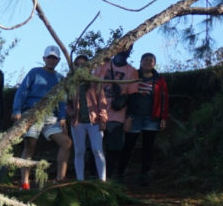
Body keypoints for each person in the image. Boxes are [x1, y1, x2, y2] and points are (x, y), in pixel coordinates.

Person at [12, 45, 71, 188]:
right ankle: (25, 182)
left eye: (54, 58)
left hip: (51, 117)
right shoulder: (34, 73)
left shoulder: (59, 78)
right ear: (44, 59)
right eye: (49, 57)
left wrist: (62, 117)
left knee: (66, 143)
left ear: (58, 60)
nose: (51, 60)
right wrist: (17, 110)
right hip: (32, 113)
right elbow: (22, 91)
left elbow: (62, 100)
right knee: (30, 144)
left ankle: (59, 179)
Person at [119, 52, 169, 186]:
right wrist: (128, 116)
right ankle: (120, 174)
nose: (148, 62)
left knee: (148, 148)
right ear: (140, 62)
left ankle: (144, 176)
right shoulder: (134, 76)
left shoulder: (159, 79)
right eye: (145, 60)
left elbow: (164, 99)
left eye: (151, 60)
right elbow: (127, 97)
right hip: (134, 117)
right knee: (128, 146)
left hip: (151, 118)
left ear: (154, 63)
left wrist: (163, 118)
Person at [95, 47, 139, 180]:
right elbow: (92, 86)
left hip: (117, 116)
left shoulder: (131, 71)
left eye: (128, 49)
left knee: (113, 148)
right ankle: (93, 175)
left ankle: (107, 177)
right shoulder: (102, 66)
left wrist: (129, 118)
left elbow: (133, 97)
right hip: (97, 113)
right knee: (95, 148)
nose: (123, 51)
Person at [67, 53, 108, 181]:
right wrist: (70, 111)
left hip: (94, 122)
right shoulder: (70, 83)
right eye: (77, 65)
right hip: (77, 123)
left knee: (97, 150)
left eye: (83, 65)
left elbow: (102, 102)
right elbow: (65, 102)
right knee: (79, 151)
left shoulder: (95, 83)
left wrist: (103, 120)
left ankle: (102, 179)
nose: (80, 67)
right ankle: (80, 179)